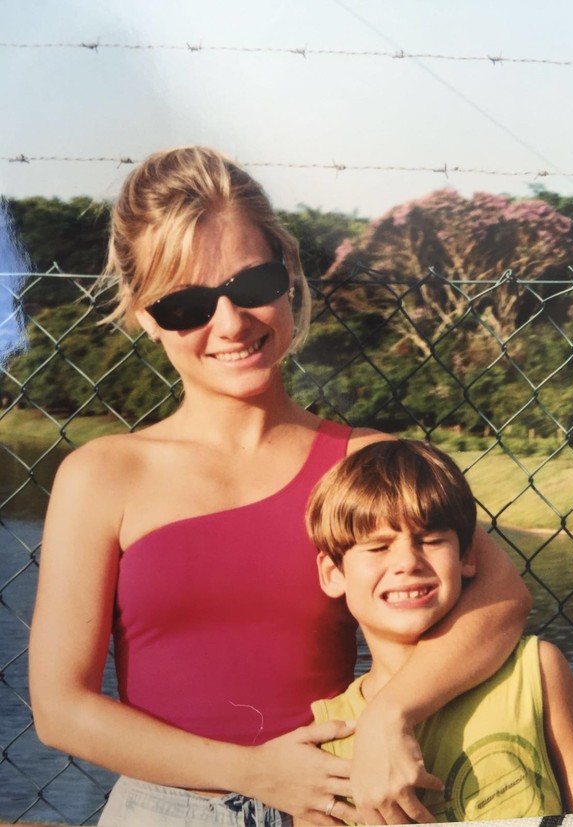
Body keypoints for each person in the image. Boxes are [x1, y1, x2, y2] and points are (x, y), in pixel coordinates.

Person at [29, 145, 531, 827]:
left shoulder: (364, 462)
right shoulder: (102, 475)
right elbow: (61, 708)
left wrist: (391, 712)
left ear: (289, 274)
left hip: (338, 801)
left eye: (254, 282)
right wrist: (252, 771)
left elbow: (502, 595)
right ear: (147, 314)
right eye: (187, 303)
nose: (231, 323)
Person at [304, 439, 573, 823]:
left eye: (431, 540)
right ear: (333, 573)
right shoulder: (327, 733)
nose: (407, 561)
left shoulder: (533, 671)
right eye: (377, 547)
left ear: (468, 556)